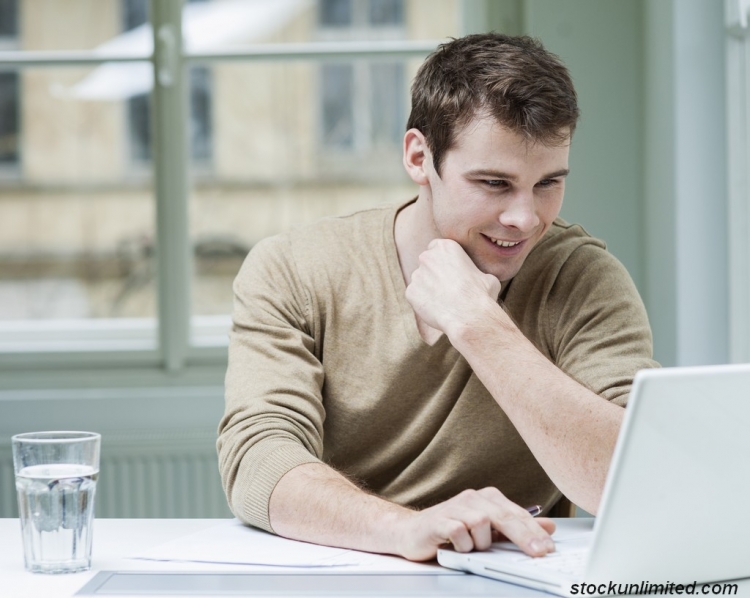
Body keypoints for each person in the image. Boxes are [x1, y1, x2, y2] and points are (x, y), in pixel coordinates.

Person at [217, 33, 658, 562]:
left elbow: (633, 482)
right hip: (346, 567)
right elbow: (258, 461)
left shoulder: (582, 276)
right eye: (494, 183)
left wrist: (477, 323)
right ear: (419, 156)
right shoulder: (293, 269)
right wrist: (407, 529)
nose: (525, 218)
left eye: (548, 183)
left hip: (514, 579)